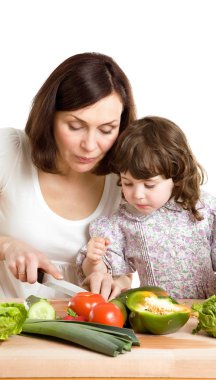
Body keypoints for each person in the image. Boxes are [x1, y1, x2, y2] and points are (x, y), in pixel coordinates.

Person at [0, 52, 136, 300]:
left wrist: (116, 279)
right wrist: (7, 246)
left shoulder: (128, 181)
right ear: (49, 116)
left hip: (85, 332)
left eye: (107, 130)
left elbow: (131, 261)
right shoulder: (10, 151)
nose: (90, 145)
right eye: (75, 126)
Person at [77, 116, 216, 299]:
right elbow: (110, 276)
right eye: (128, 183)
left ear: (176, 177)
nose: (137, 194)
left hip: (208, 308)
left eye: (149, 185)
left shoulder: (205, 209)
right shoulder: (122, 222)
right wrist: (93, 261)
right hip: (156, 312)